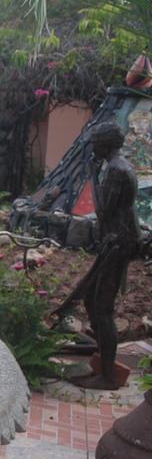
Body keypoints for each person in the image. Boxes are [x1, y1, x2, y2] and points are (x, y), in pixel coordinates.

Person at [55, 121, 141, 390]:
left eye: (95, 142)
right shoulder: (120, 166)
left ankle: (107, 376)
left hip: (118, 243)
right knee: (92, 302)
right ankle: (104, 364)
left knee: (101, 308)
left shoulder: (115, 170)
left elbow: (104, 211)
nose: (92, 147)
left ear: (105, 143)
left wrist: (92, 175)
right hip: (116, 241)